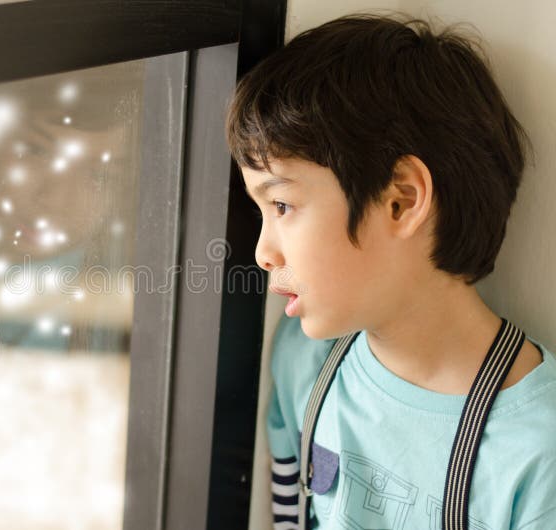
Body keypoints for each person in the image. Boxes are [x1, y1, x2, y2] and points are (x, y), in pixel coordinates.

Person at [224, 11, 556, 530]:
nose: (264, 252)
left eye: (282, 206)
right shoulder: (302, 362)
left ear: (400, 201)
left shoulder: (538, 450)